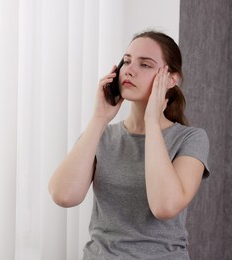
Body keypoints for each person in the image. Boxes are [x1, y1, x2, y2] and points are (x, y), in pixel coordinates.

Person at [48, 30, 210, 259]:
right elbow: (63, 195)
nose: (130, 70)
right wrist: (99, 118)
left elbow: (165, 206)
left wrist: (152, 121)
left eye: (145, 65)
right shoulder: (101, 135)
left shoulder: (190, 139)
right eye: (126, 61)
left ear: (171, 79)